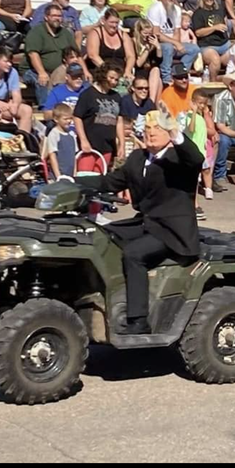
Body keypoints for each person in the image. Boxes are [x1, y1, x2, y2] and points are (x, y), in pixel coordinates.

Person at [77, 110, 204, 335]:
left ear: (168, 133)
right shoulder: (138, 158)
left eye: (157, 128)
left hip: (172, 230)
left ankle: (138, 320)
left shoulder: (178, 159)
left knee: (134, 254)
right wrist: (74, 181)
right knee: (102, 237)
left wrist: (175, 131)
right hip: (146, 223)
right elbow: (110, 182)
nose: (151, 133)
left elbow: (195, 159)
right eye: (147, 128)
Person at [24, 4, 77, 108]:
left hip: (58, 70)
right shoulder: (36, 32)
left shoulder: (65, 33)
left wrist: (84, 71)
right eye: (54, 16)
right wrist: (41, 72)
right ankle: (46, 109)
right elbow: (33, 53)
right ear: (46, 17)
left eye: (59, 16)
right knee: (43, 81)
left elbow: (75, 53)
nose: (57, 18)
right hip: (33, 70)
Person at [147, 0, 201, 86]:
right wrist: (175, 43)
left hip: (172, 43)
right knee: (167, 47)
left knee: (194, 49)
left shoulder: (176, 10)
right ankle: (166, 78)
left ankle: (180, 73)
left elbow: (177, 31)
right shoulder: (155, 9)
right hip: (157, 45)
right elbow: (156, 33)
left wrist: (176, 44)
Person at [73, 62, 123, 165]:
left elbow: (119, 121)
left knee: (101, 178)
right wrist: (83, 140)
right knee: (85, 177)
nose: (113, 82)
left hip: (108, 146)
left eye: (116, 79)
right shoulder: (88, 94)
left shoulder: (116, 96)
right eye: (111, 78)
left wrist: (122, 144)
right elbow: (77, 117)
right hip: (90, 145)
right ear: (103, 75)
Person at [191, 0, 232, 80]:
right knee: (215, 59)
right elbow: (198, 33)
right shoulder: (198, 13)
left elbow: (225, 23)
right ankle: (213, 82)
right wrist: (214, 28)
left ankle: (230, 81)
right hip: (207, 46)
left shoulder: (220, 10)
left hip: (224, 44)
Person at [85, 8, 135, 81]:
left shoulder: (123, 35)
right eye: (111, 22)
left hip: (120, 74)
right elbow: (93, 55)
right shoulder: (95, 33)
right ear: (104, 21)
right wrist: (108, 70)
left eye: (116, 22)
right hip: (101, 72)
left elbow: (131, 56)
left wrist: (128, 70)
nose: (114, 25)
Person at [0, 48, 33, 134]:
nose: (9, 64)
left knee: (27, 110)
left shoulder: (12, 72)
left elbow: (17, 94)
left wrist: (15, 104)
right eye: (6, 61)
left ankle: (23, 138)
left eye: (10, 62)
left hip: (4, 104)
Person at [117, 75, 154, 157]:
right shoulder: (126, 102)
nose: (144, 91)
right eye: (140, 88)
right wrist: (140, 143)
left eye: (146, 88)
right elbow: (126, 130)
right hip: (128, 138)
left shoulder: (149, 103)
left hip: (143, 138)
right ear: (133, 88)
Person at [41, 104, 78, 180]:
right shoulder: (54, 134)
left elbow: (74, 156)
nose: (69, 121)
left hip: (70, 174)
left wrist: (75, 173)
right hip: (58, 175)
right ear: (56, 119)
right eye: (65, 119)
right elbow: (52, 156)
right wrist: (58, 176)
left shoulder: (72, 134)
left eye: (70, 118)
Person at [130, 19, 165, 101]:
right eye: (145, 33)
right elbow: (138, 64)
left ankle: (153, 105)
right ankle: (151, 103)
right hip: (138, 72)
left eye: (149, 33)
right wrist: (147, 50)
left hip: (150, 72)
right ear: (139, 32)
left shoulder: (151, 43)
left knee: (157, 74)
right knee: (158, 79)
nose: (147, 36)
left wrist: (158, 47)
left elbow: (158, 61)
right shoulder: (133, 42)